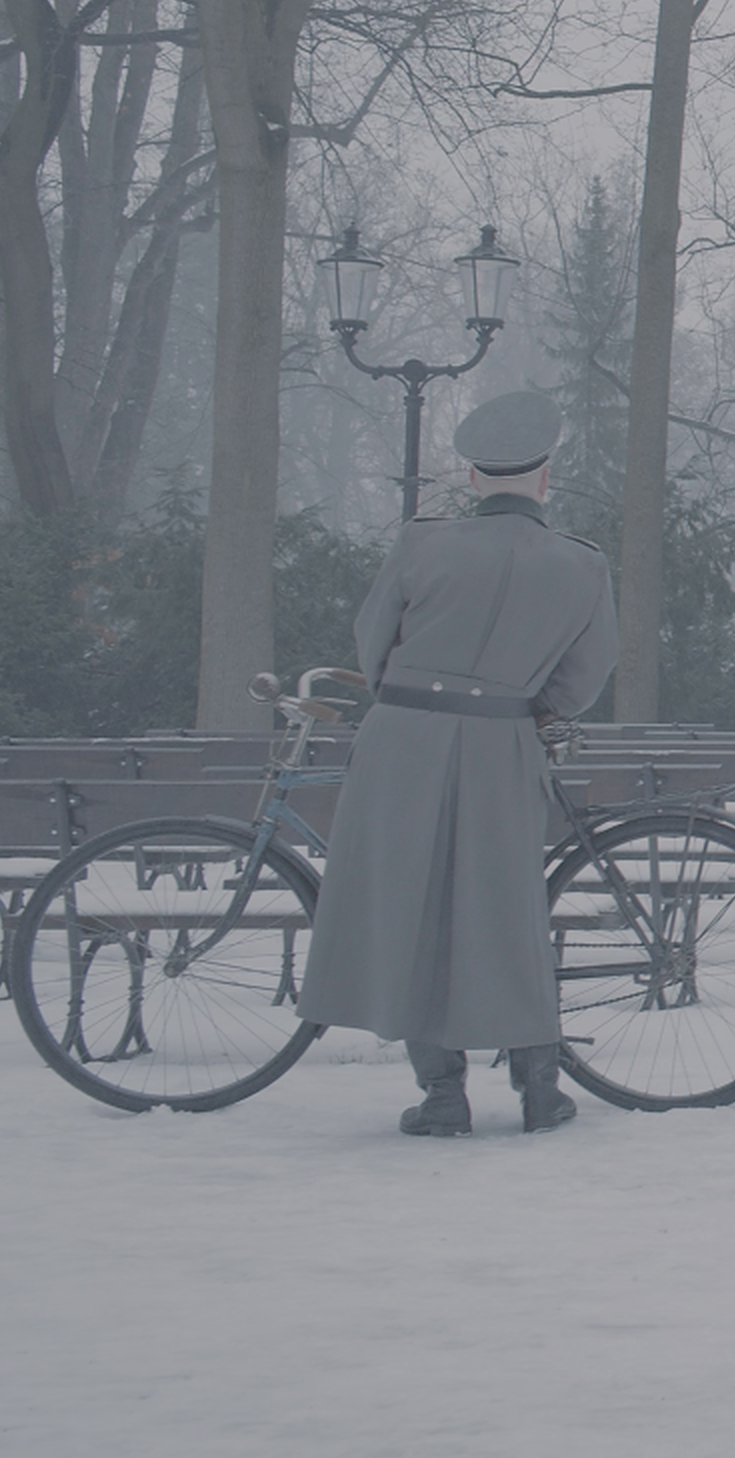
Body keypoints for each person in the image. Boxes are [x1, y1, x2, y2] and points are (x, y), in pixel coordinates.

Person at [299, 391, 619, 1138]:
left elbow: (373, 643)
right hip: (501, 743)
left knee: (409, 906)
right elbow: (583, 675)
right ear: (545, 479)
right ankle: (540, 1088)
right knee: (505, 911)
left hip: (403, 740)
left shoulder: (422, 545)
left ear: (473, 480)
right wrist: (534, 709)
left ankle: (443, 1095)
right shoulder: (581, 567)